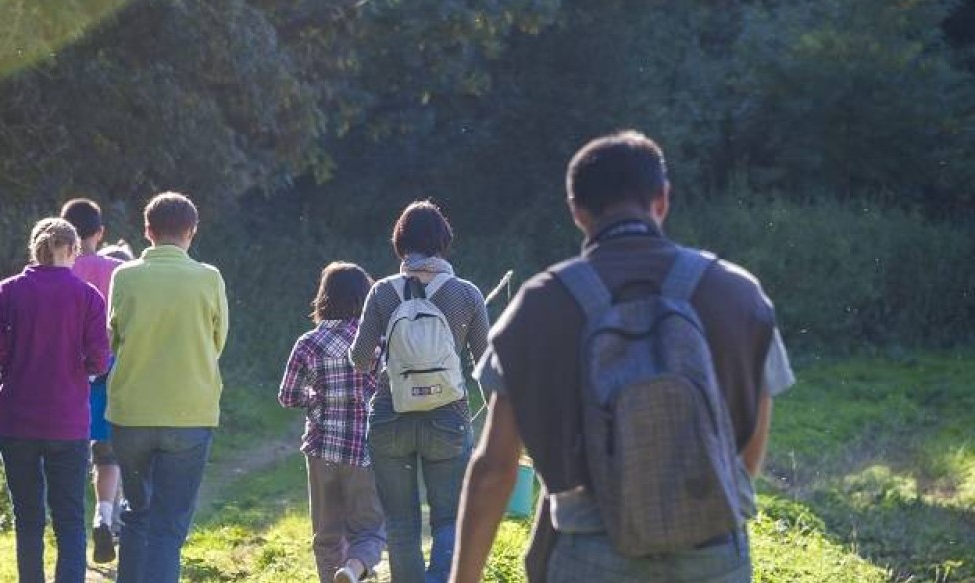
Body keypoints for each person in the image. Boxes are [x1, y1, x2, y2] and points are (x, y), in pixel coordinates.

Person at [450, 131, 796, 583]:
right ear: (663, 199)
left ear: (576, 211)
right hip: (713, 552)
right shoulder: (738, 296)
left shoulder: (540, 307)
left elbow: (495, 466)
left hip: (590, 554)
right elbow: (747, 451)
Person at [349, 200, 491, 583]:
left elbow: (360, 359)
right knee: (448, 519)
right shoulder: (467, 295)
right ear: (443, 241)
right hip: (449, 416)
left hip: (390, 414)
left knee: (400, 522)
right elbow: (486, 364)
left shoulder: (381, 292)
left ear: (400, 242)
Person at [0, 217, 111, 583]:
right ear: (72, 251)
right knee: (69, 516)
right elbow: (100, 360)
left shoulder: (7, 292)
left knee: (28, 516)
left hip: (16, 419)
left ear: (35, 249)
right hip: (68, 421)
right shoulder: (88, 297)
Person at [106, 192, 229, 583]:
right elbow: (218, 339)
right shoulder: (209, 278)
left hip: (131, 411)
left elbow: (114, 337)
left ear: (147, 231)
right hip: (190, 413)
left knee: (136, 513)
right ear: (192, 231)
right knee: (168, 525)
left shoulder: (124, 276)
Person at [280, 262, 387, 583]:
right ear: (364, 299)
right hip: (364, 450)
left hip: (320, 449)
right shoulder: (379, 341)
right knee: (369, 530)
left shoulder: (308, 343)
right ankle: (353, 570)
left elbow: (287, 396)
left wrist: (316, 399)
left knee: (326, 535)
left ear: (323, 298)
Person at [60, 198, 127, 564]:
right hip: (109, 369)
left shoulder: (56, 272)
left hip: (62, 373)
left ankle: (69, 533)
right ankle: (105, 516)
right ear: (100, 233)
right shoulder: (119, 269)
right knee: (107, 450)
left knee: (67, 453)